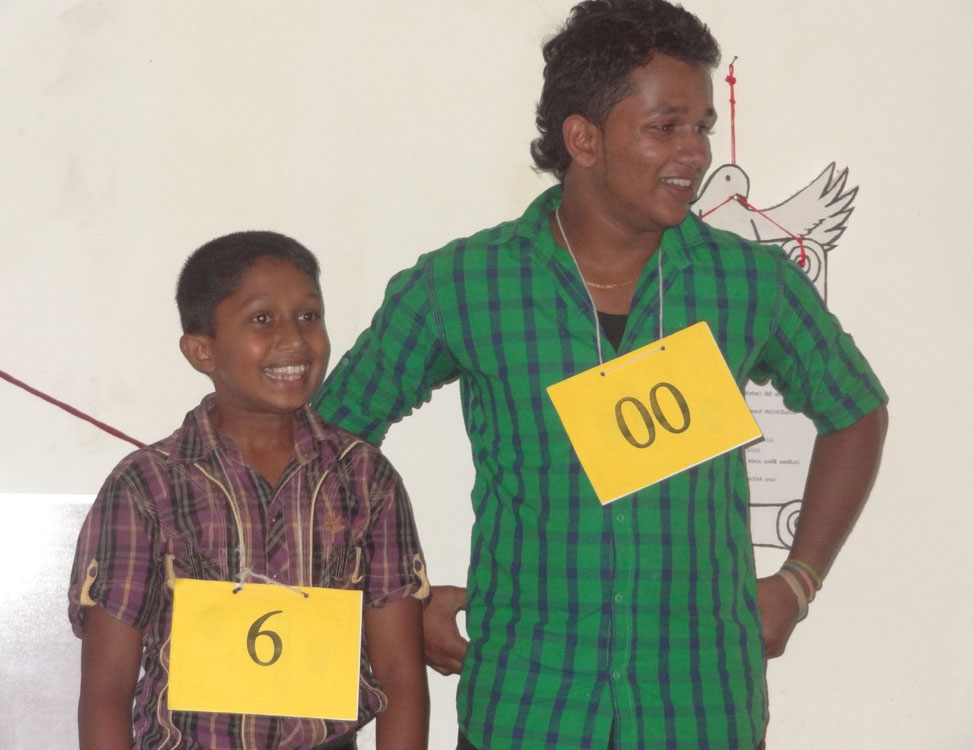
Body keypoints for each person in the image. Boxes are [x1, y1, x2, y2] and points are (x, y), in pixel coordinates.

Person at [313, 1, 888, 748]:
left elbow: (856, 410)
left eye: (703, 127)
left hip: (700, 709)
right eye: (665, 127)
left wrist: (799, 579)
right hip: (528, 708)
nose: (694, 154)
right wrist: (396, 597)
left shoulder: (751, 284)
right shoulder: (464, 285)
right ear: (583, 138)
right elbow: (328, 449)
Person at [68, 231, 430, 750]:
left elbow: (401, 677)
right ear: (202, 351)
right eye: (262, 319)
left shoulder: (365, 480)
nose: (295, 339)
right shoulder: (147, 487)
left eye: (309, 315)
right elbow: (106, 692)